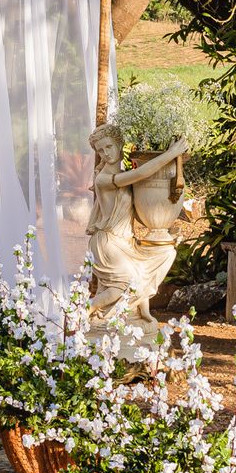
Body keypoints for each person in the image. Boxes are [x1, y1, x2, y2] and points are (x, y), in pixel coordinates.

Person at [87, 123, 189, 324]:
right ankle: (82, 313)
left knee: (166, 253)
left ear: (119, 144)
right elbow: (141, 174)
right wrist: (172, 153)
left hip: (126, 241)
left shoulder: (122, 173)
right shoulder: (104, 179)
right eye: (100, 150)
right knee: (125, 285)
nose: (106, 153)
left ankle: (141, 308)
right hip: (108, 242)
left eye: (109, 147)